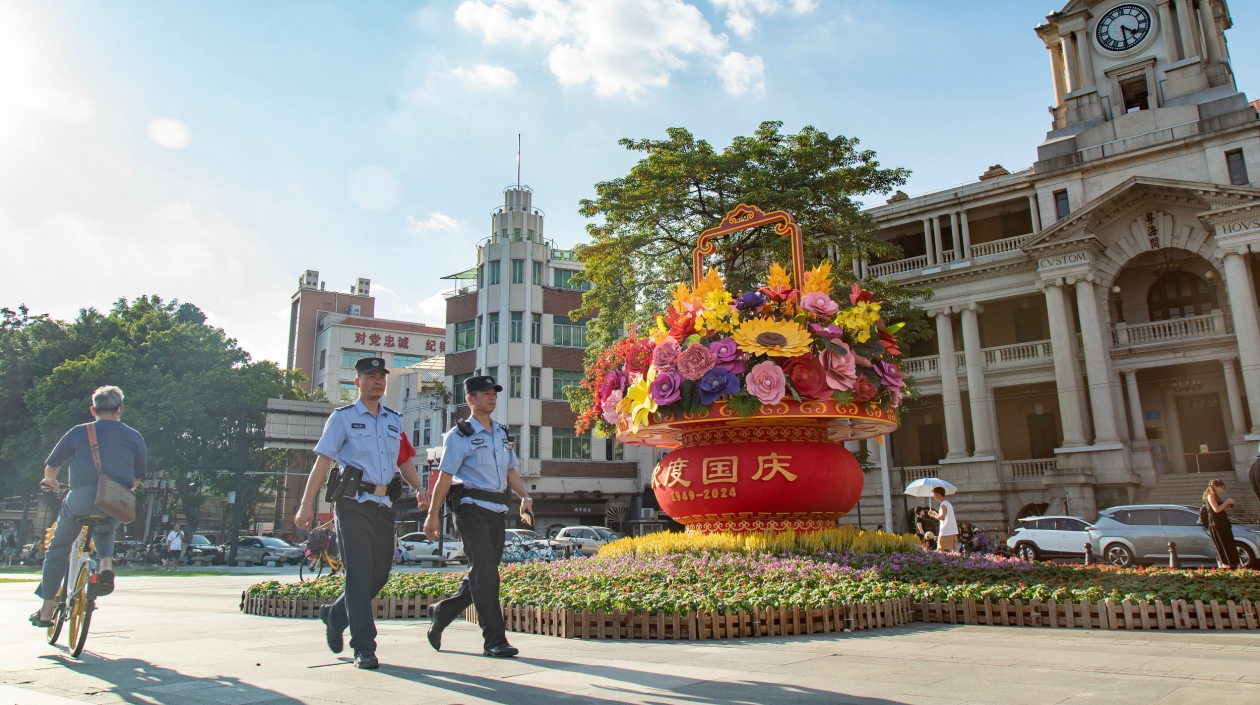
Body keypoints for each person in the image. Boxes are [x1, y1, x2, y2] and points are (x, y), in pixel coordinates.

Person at [293, 357, 428, 670]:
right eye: (370, 376)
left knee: (379, 574)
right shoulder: (342, 418)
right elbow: (322, 462)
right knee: (358, 575)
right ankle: (364, 646)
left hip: (383, 505)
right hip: (352, 504)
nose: (377, 381)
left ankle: (336, 614)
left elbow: (403, 459)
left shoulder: (394, 419)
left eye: (381, 376)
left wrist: (419, 487)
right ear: (357, 382)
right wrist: (305, 505)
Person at [424, 375, 533, 658]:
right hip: (470, 509)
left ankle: (442, 612)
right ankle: (495, 640)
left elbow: (511, 472)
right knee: (487, 574)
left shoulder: (501, 433)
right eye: (484, 393)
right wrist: (432, 515)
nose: (491, 396)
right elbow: (445, 477)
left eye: (494, 392)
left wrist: (525, 497)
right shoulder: (459, 435)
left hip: (497, 511)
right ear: (470, 400)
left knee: (481, 573)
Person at [31, 386, 146, 628]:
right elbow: (137, 478)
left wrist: (50, 481)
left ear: (93, 409)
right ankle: (105, 561)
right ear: (120, 410)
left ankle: (46, 609)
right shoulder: (135, 436)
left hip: (81, 499)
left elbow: (52, 465)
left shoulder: (78, 432)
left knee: (58, 548)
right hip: (115, 501)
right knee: (106, 527)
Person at [1204, 479, 1240, 569]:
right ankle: (1224, 564)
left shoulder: (1215, 496)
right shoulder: (1210, 496)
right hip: (1217, 525)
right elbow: (1216, 509)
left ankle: (1228, 564)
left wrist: (1227, 505)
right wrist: (1227, 502)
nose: (1222, 490)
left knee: (1227, 542)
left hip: (1222, 523)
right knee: (1222, 544)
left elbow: (1220, 509)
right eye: (1221, 488)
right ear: (1215, 487)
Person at [929, 487, 959, 552]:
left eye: (934, 494)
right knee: (955, 552)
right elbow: (944, 516)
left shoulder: (943, 505)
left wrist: (933, 515)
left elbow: (942, 517)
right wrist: (935, 513)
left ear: (939, 495)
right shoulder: (948, 504)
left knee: (940, 551)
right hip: (953, 531)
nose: (933, 496)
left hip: (946, 531)